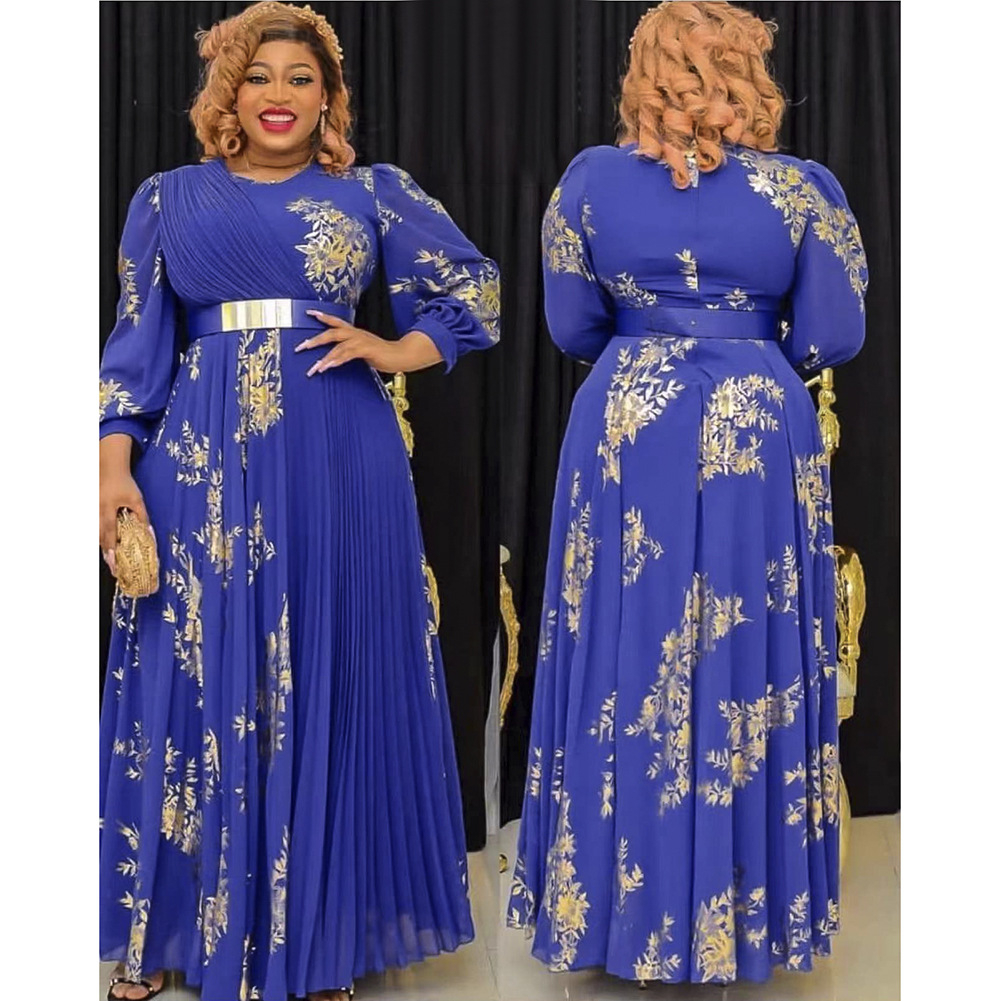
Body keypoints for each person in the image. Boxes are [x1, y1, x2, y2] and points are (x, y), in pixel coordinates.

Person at [98, 3, 500, 999]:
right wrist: (112, 474)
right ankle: (164, 932)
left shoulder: (369, 193)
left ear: (328, 98)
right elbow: (134, 352)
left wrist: (398, 347)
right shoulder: (167, 199)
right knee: (190, 678)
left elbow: (474, 290)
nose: (279, 94)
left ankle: (319, 941)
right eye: (259, 76)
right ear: (228, 92)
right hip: (197, 469)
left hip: (340, 458)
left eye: (301, 78)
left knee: (327, 674)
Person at [506, 0, 865, 985]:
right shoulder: (803, 189)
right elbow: (832, 332)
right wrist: (746, 347)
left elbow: (572, 324)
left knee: (626, 646)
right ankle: (738, 916)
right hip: (756, 419)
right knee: (746, 646)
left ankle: (619, 916)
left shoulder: (588, 180)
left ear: (643, 72)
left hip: (631, 415)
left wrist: (652, 341)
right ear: (751, 70)